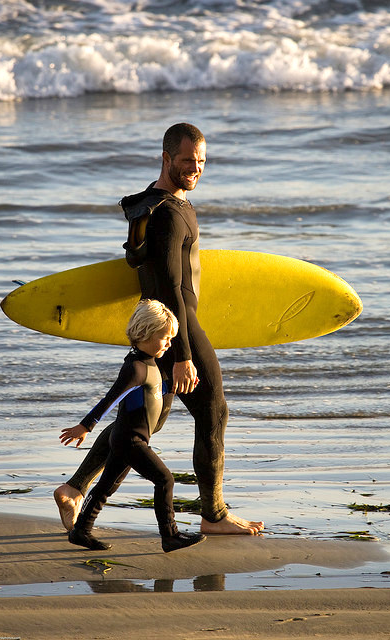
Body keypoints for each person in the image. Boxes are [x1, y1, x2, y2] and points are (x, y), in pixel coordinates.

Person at [55, 123, 264, 536]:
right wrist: (182, 353)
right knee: (213, 413)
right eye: (187, 160)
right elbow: (170, 285)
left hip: (159, 327)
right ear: (166, 157)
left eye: (201, 161)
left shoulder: (152, 206)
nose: (196, 168)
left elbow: (145, 269)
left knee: (147, 419)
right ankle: (214, 515)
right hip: (175, 327)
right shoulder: (167, 213)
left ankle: (74, 488)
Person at [67, 299, 206, 552]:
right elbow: (111, 398)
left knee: (106, 486)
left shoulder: (150, 363)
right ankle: (170, 535)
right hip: (130, 440)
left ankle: (81, 531)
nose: (169, 343)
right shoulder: (134, 367)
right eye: (165, 337)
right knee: (164, 479)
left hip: (131, 439)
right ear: (145, 333)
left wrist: (170, 387)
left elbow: (150, 390)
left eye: (171, 338)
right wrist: (86, 426)